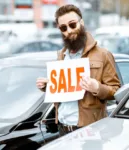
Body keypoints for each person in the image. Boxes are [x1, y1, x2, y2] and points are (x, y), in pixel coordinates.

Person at [36, 4, 121, 135]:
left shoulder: (103, 54)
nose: (69, 31)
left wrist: (97, 88)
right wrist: (48, 86)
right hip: (62, 129)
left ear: (81, 23)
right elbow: (65, 89)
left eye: (72, 25)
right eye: (63, 28)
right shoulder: (61, 56)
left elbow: (116, 91)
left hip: (90, 130)